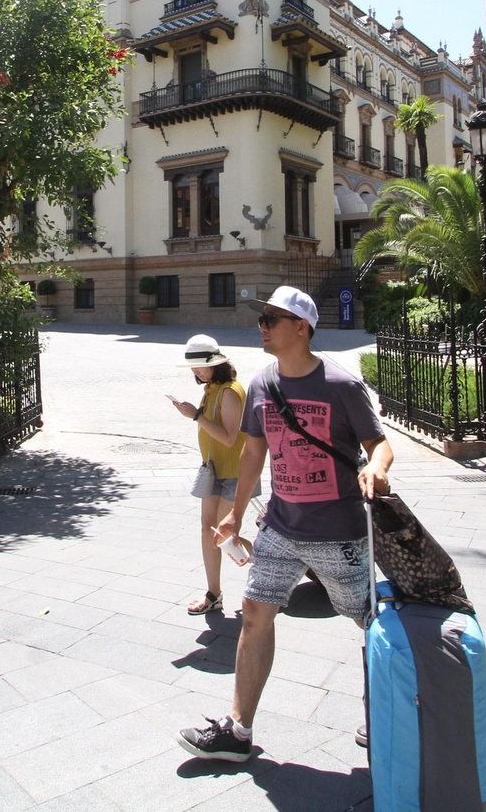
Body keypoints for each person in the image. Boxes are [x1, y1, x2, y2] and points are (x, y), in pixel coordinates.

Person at [177, 286, 394, 762]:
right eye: (262, 319)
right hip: (280, 526)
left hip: (338, 532)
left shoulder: (340, 384)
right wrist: (235, 512)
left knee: (372, 624)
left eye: (273, 319)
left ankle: (389, 715)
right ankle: (237, 731)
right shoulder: (261, 384)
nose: (263, 327)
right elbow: (254, 450)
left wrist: (375, 468)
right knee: (255, 614)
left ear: (302, 328)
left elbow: (379, 444)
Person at [168, 334, 256, 616]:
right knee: (209, 532)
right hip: (213, 469)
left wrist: (196, 416)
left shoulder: (230, 390)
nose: (195, 372)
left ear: (215, 364)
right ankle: (213, 593)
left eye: (199, 367)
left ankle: (276, 564)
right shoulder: (212, 388)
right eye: (192, 367)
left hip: (233, 472)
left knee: (224, 534)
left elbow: (230, 439)